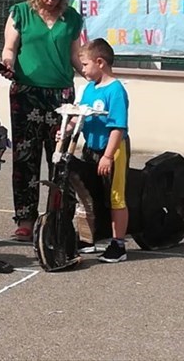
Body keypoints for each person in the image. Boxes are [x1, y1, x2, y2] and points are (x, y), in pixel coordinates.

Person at [0, 0, 85, 241]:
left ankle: (58, 216)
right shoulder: (20, 12)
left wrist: (95, 75)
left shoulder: (71, 18)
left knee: (61, 158)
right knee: (26, 157)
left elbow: (75, 55)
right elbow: (9, 49)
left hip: (61, 95)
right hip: (26, 93)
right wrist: (7, 64)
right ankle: (25, 219)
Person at [67, 38, 130, 263]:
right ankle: (88, 239)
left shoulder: (115, 90)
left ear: (100, 62)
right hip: (90, 148)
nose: (81, 69)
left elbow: (118, 127)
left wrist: (108, 156)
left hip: (112, 150)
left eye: (84, 65)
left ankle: (118, 244)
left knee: (115, 197)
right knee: (88, 194)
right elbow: (80, 114)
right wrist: (68, 128)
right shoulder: (89, 89)